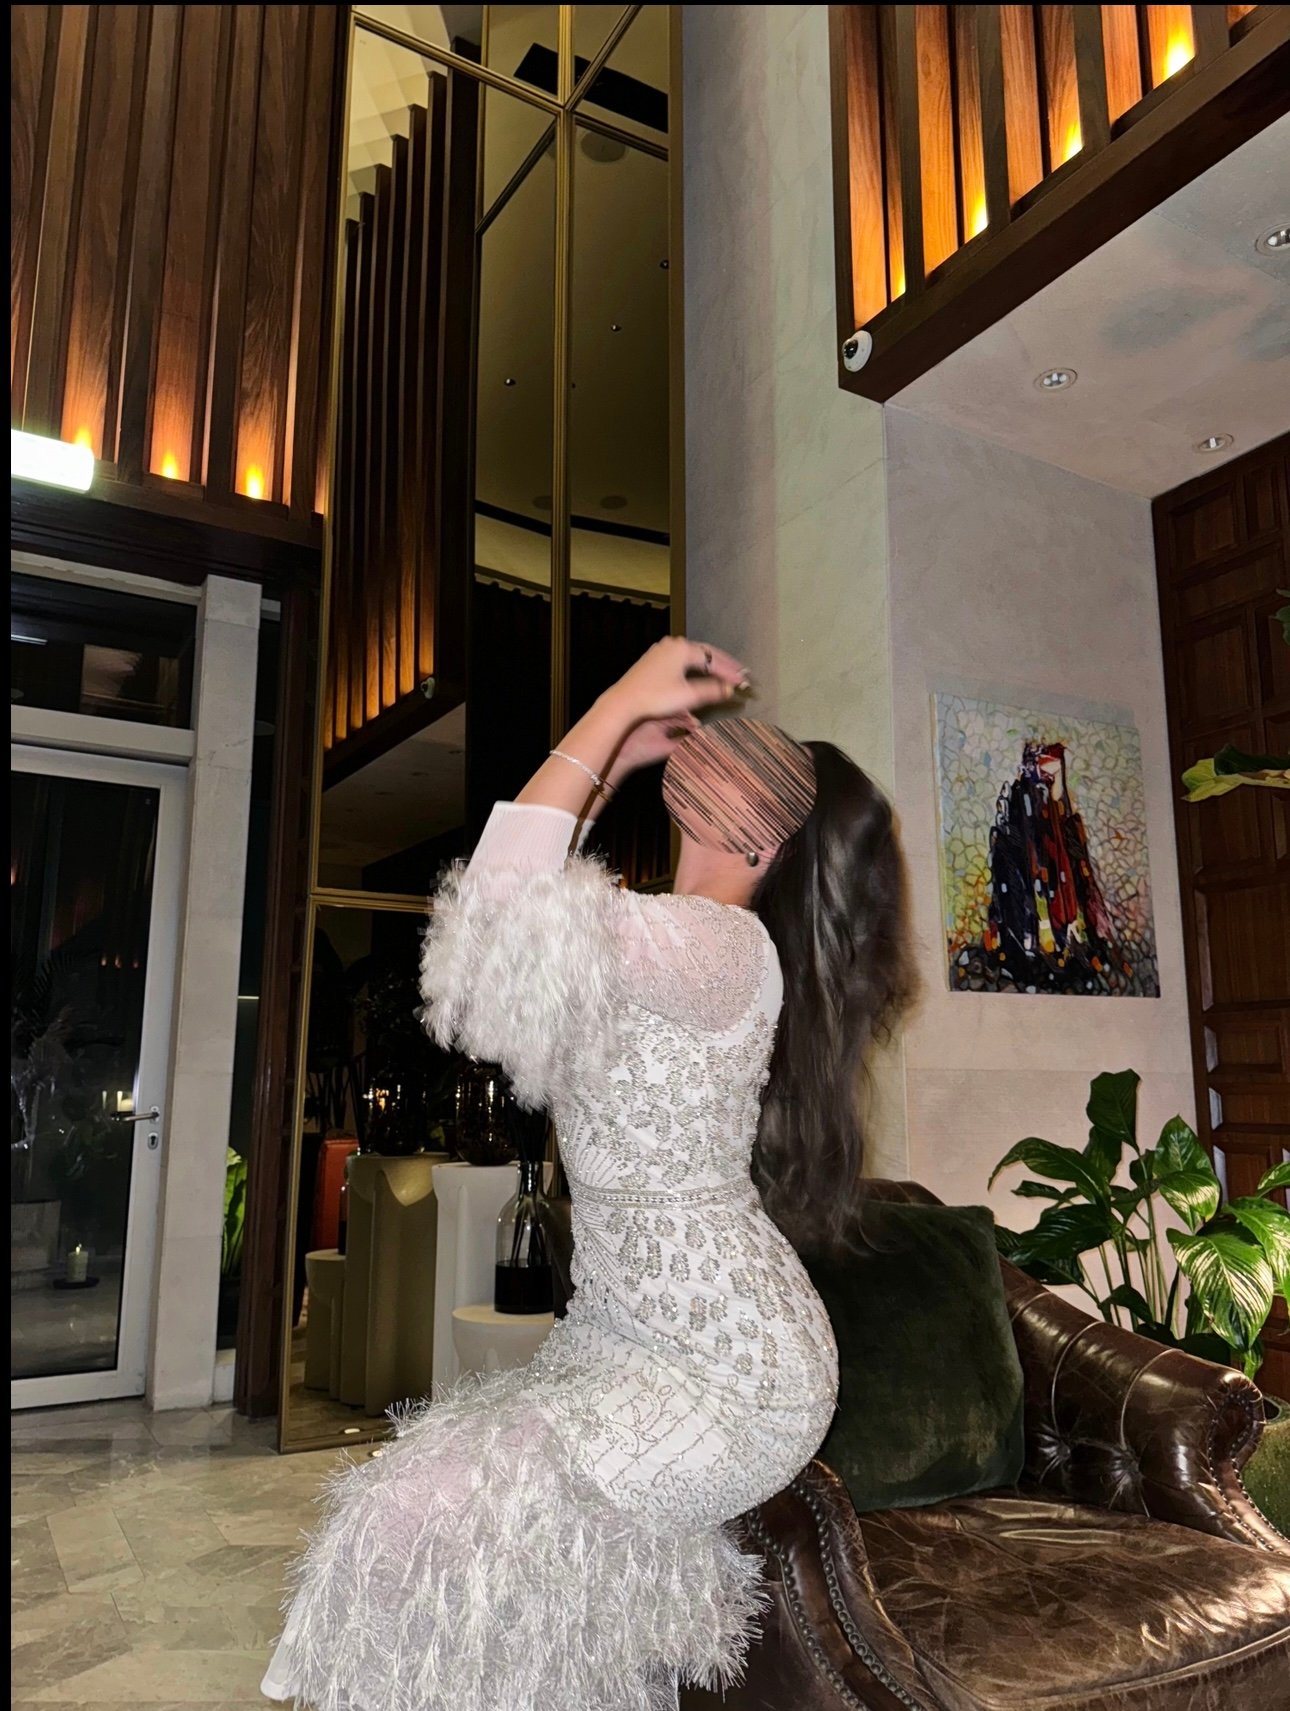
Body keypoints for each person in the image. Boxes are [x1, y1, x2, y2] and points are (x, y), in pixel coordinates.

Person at [261, 638, 912, 1711]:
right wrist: (605, 768)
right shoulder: (664, 939)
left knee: (418, 1521)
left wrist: (611, 712)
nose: (708, 763)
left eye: (740, 771)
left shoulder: (718, 947)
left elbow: (507, 904)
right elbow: (509, 941)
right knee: (459, 1554)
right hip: (625, 1338)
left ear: (762, 837)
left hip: (733, 1372)